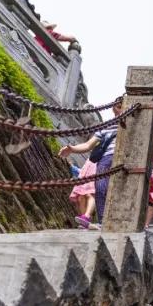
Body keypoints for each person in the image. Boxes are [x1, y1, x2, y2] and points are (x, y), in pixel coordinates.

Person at [58, 97, 124, 229]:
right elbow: (88, 144)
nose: (119, 107)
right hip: (105, 159)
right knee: (100, 188)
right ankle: (102, 221)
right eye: (117, 105)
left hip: (124, 158)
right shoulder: (106, 126)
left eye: (121, 105)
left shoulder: (133, 123)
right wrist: (72, 149)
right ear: (113, 108)